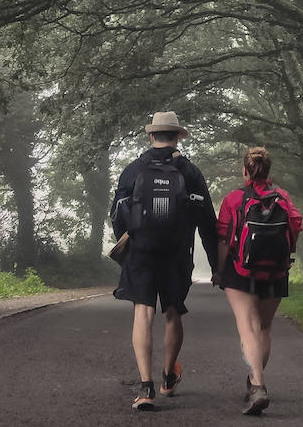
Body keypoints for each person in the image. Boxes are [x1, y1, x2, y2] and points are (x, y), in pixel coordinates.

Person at [110, 111, 217, 411]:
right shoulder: (190, 171)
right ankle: (168, 377)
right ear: (177, 136)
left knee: (142, 313)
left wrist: (127, 240)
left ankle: (146, 388)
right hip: (176, 253)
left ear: (151, 135)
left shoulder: (133, 169)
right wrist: (216, 266)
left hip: (140, 252)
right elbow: (208, 221)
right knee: (173, 313)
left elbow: (117, 212)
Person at [214, 146, 303, 416]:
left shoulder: (233, 199)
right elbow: (295, 225)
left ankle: (258, 386)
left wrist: (219, 271)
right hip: (276, 271)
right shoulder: (283, 197)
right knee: (264, 327)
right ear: (268, 170)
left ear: (245, 170)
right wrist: (286, 256)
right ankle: (254, 380)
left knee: (248, 326)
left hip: (240, 272)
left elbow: (223, 239)